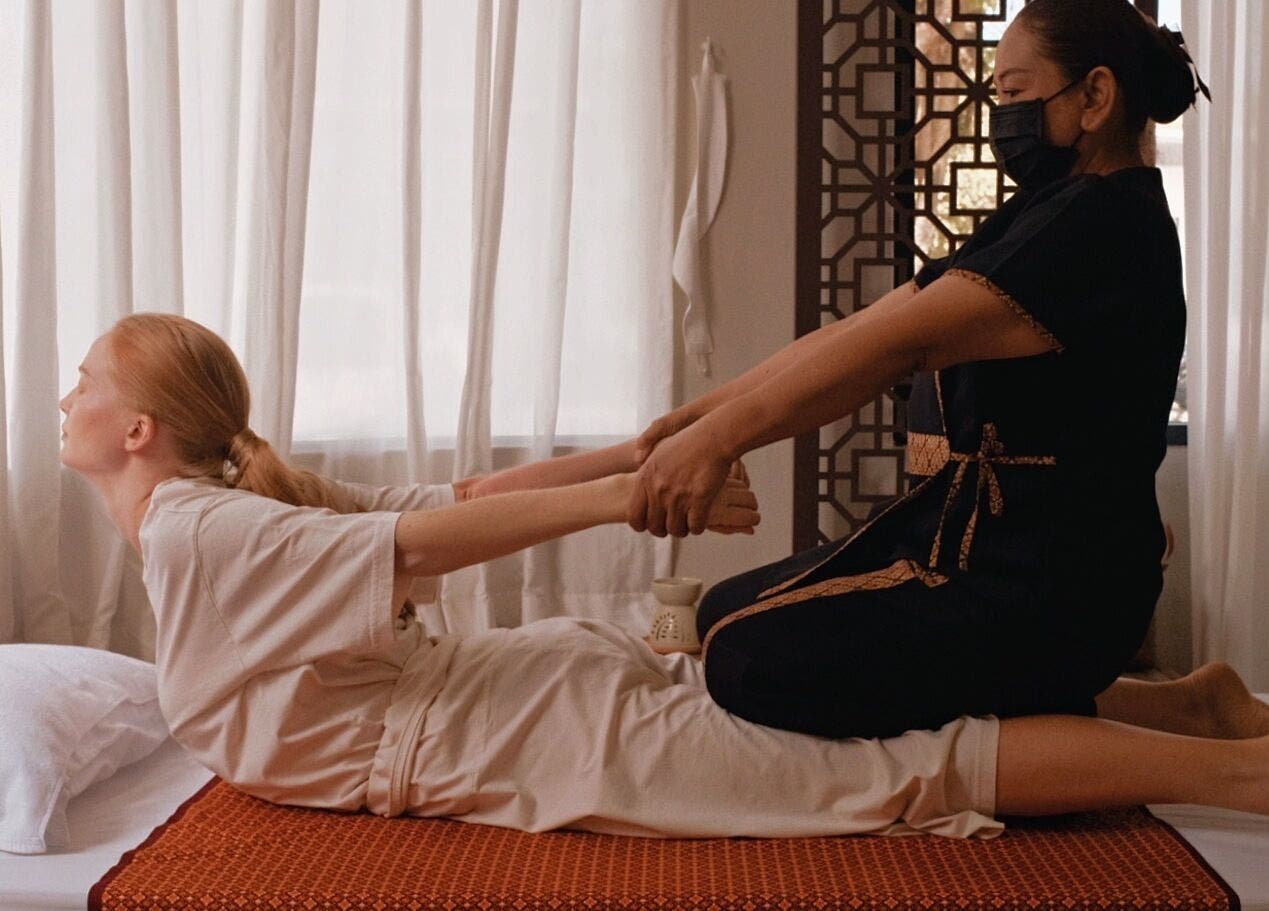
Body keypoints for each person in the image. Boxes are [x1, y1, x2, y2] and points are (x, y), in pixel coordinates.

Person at [59, 310, 1269, 841]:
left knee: (893, 771)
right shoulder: (217, 516)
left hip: (522, 732)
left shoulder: (193, 526)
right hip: (520, 702)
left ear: (138, 429)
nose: (67, 395)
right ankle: (1187, 707)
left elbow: (421, 535)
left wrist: (634, 478)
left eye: (85, 381)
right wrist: (635, 469)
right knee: (866, 719)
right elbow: (440, 511)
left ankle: (1236, 775)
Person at [626, 0, 1269, 811]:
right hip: (984, 550)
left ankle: (1242, 776)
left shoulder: (1100, 226)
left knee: (744, 658)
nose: (1002, 115)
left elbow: (892, 349)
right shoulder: (1050, 210)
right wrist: (706, 417)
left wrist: (722, 437)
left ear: (1094, 97)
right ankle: (1189, 706)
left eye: (1014, 92)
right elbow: (867, 327)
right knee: (724, 616)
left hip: (1047, 579)